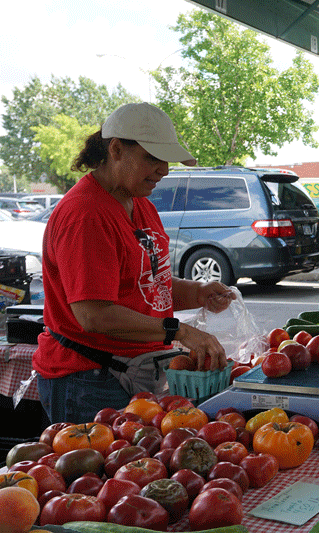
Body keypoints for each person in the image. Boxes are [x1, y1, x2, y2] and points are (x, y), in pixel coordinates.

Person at [33, 102, 233, 424]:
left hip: (135, 372)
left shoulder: (139, 203)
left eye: (165, 160)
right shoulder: (86, 214)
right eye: (152, 158)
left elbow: (147, 284)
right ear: (116, 149)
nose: (163, 170)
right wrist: (179, 331)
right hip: (90, 380)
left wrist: (198, 292)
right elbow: (94, 315)